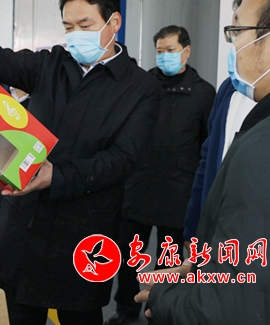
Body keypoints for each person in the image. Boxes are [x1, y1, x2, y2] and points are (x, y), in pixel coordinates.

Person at [0, 0, 162, 325]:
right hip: (18, 225)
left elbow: (123, 158)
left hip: (82, 234)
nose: (75, 35)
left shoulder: (141, 88)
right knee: (12, 311)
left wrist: (57, 176)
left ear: (114, 22)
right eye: (68, 27)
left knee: (77, 313)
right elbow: (6, 62)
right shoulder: (51, 64)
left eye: (85, 25)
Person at [136, 0, 270, 324]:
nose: (234, 47)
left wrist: (164, 296)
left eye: (237, 32)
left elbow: (233, 309)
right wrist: (207, 268)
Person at [105, 26, 215, 325]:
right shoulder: (142, 85)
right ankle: (126, 309)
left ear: (186, 51)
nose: (164, 56)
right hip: (138, 185)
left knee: (169, 261)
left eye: (170, 50)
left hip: (178, 191)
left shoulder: (203, 93)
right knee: (130, 256)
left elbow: (206, 143)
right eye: (160, 51)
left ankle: (161, 311)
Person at [183, 0, 256, 247]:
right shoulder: (229, 88)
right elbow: (207, 160)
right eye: (233, 32)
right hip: (214, 231)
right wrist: (194, 231)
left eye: (240, 30)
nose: (234, 42)